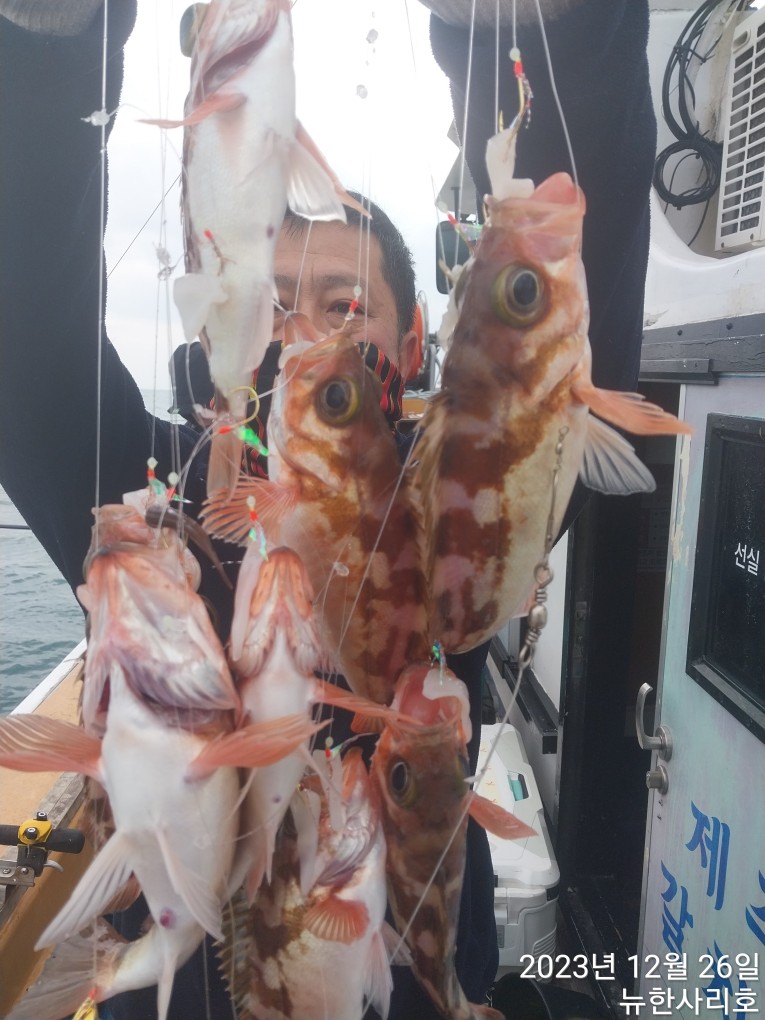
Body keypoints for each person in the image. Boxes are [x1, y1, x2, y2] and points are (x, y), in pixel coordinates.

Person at [0, 3, 496, 1017]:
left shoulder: (456, 519)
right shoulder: (157, 500)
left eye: (343, 306)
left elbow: (560, 358)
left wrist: (537, 34)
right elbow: (25, 343)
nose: (299, 334)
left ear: (409, 350)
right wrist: (50, 46)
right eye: (271, 301)